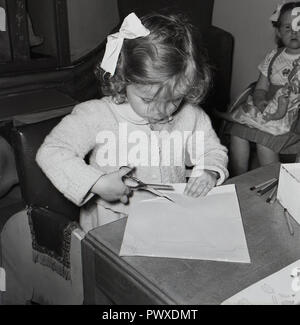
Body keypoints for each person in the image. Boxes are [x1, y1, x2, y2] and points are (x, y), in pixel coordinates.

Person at [36, 12, 229, 232]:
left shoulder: (190, 115)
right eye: (147, 99)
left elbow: (213, 150)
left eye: (175, 99)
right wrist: (96, 182)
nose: (161, 110)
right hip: (110, 226)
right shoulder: (97, 115)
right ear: (122, 78)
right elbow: (51, 151)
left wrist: (209, 171)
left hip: (167, 219)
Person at [226, 2, 300, 176]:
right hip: (269, 109)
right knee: (237, 133)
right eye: (287, 27)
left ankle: (275, 182)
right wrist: (260, 100)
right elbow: (260, 87)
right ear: (279, 32)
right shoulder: (273, 56)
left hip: (293, 114)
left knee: (264, 143)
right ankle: (239, 177)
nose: (294, 32)